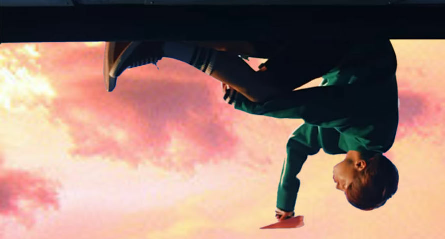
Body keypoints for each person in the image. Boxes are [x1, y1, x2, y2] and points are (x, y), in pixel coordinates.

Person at [104, 27, 399, 218]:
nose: (338, 187)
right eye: (346, 187)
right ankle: (161, 45)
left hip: (338, 54)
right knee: (261, 92)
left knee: (248, 51)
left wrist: (285, 202)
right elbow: (309, 107)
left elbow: (298, 144)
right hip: (354, 43)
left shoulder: (348, 143)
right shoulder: (372, 130)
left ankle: (156, 37)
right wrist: (250, 104)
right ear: (361, 167)